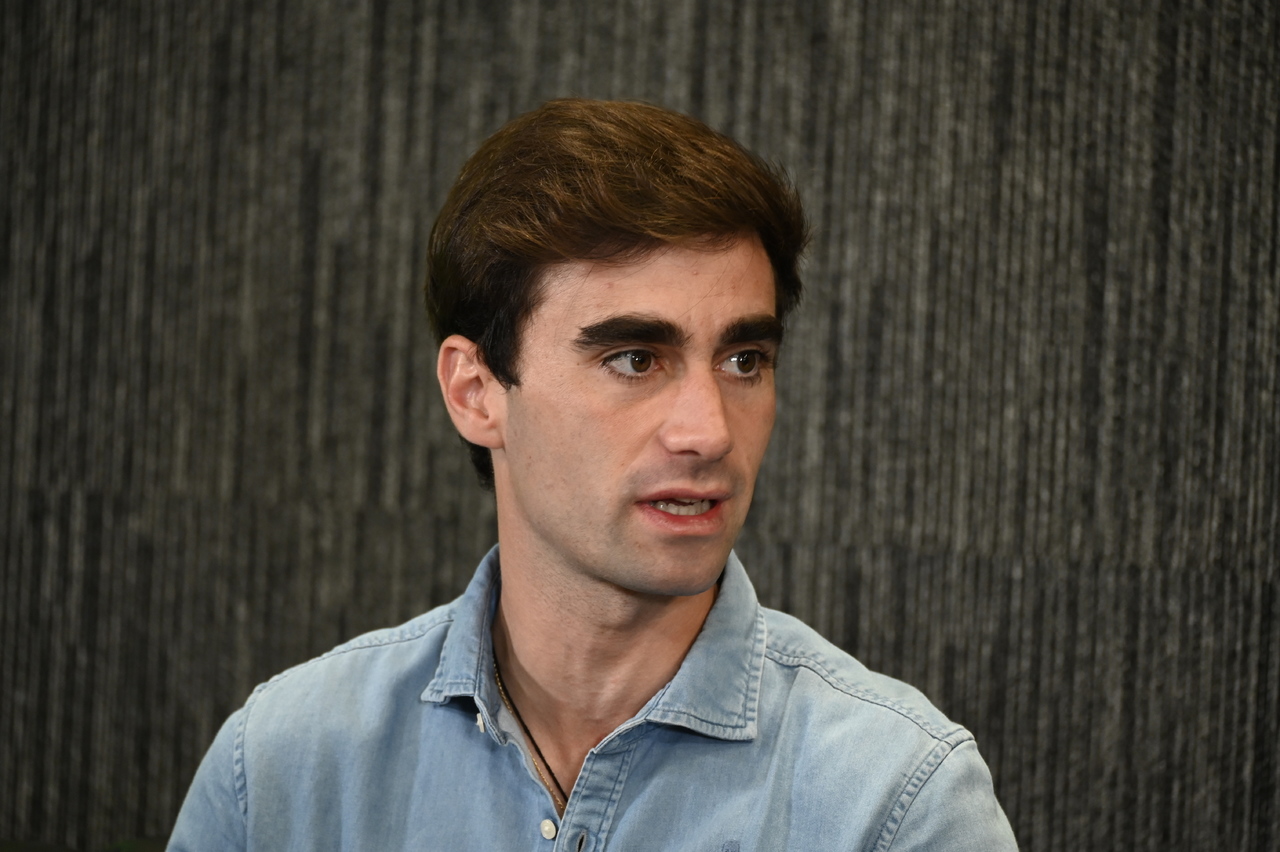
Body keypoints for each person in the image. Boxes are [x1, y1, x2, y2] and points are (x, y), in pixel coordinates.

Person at [168, 98, 1018, 851]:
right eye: (635, 358)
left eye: (744, 360)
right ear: (475, 393)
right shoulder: (282, 768)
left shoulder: (897, 803)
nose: (708, 432)